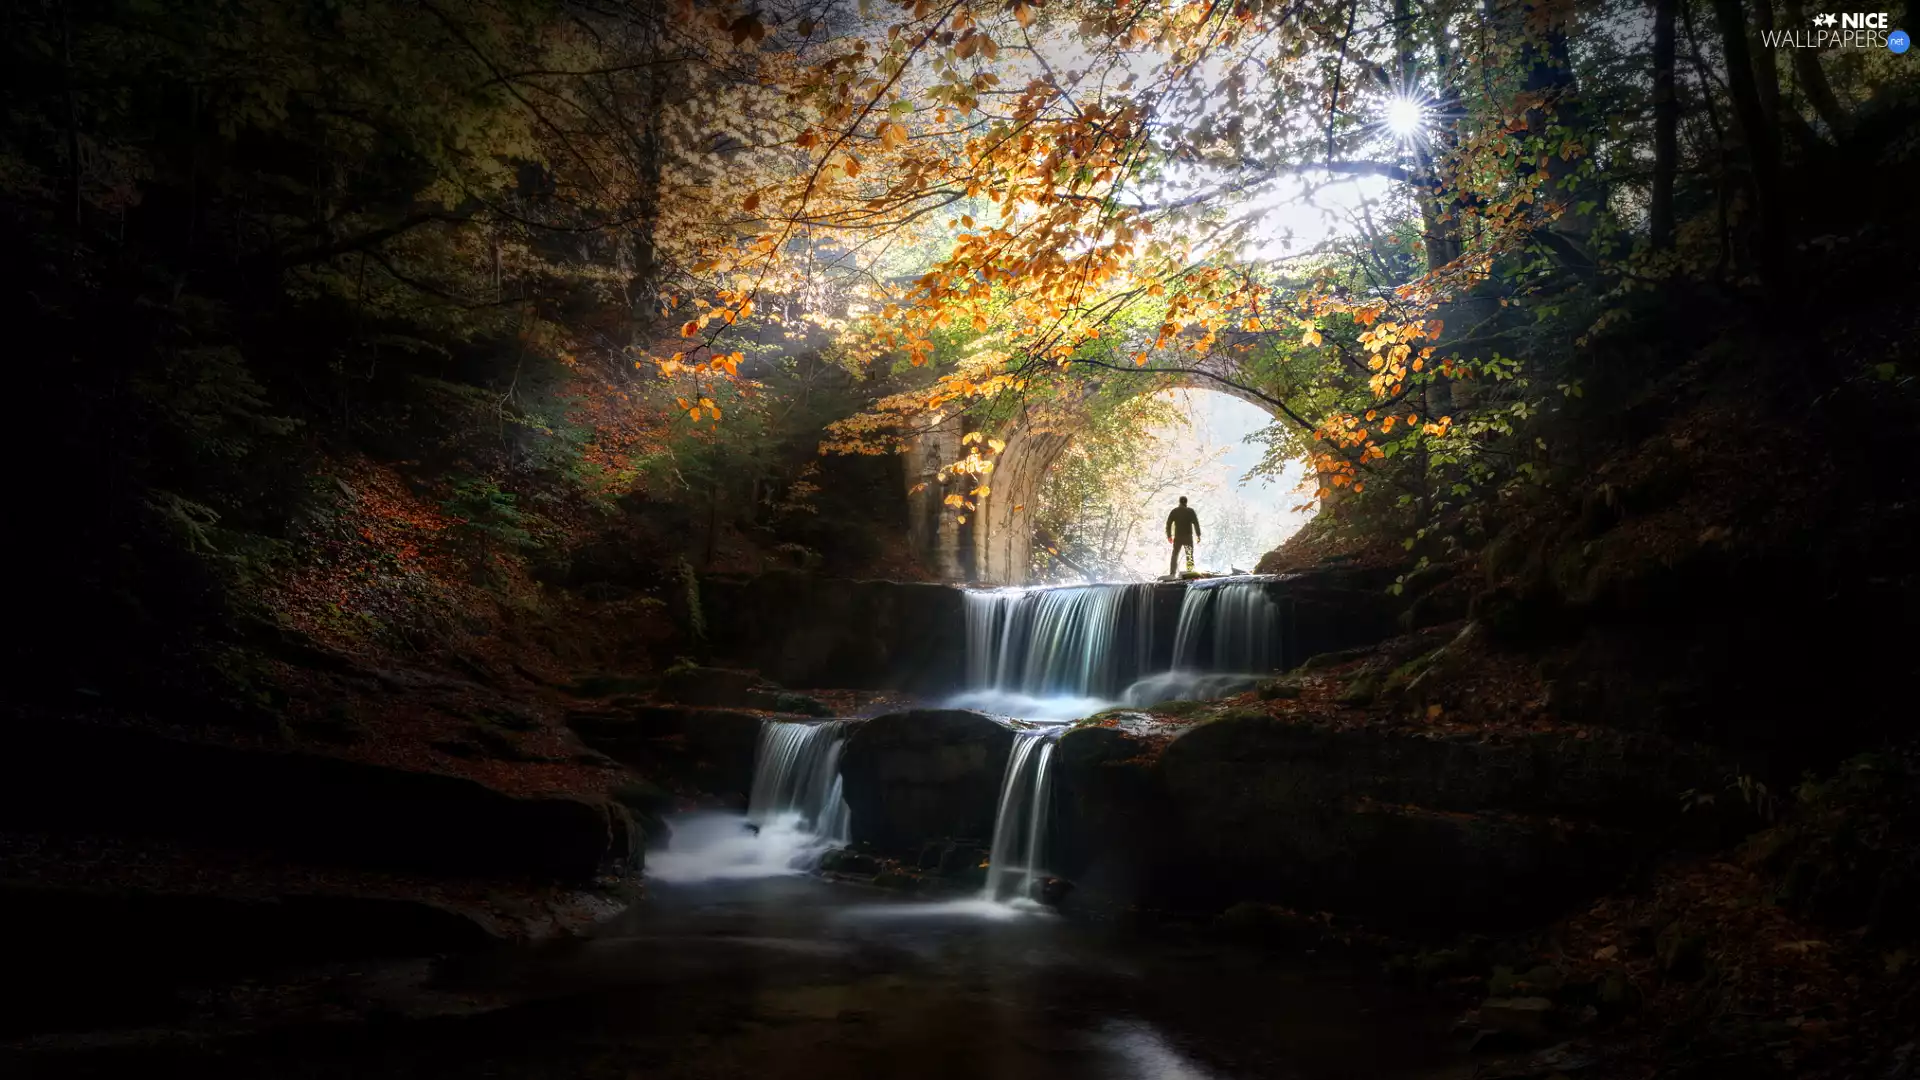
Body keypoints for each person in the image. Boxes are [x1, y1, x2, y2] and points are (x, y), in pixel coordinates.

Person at [1165, 496, 1200, 577]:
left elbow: (1168, 524)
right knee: (1189, 554)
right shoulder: (1191, 511)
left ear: (1179, 502)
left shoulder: (1174, 511)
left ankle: (1172, 573)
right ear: (1186, 502)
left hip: (1178, 537)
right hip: (1188, 537)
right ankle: (1190, 572)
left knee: (1175, 554)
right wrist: (1198, 535)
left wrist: (1169, 536)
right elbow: (1196, 523)